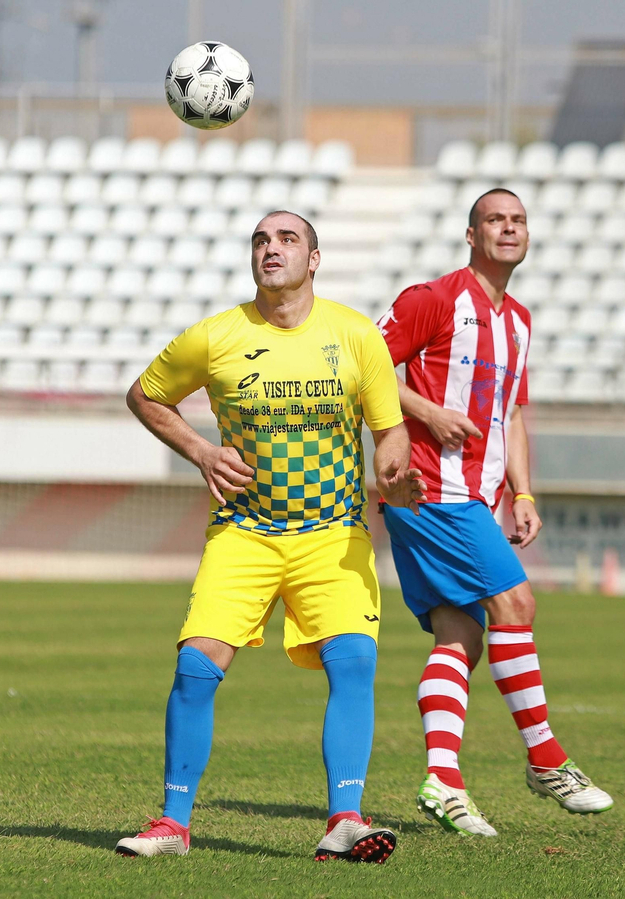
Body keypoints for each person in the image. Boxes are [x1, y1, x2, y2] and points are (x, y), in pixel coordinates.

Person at [117, 210, 426, 862]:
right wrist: (201, 451)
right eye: (261, 240)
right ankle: (173, 825)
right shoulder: (215, 336)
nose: (271, 248)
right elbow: (144, 396)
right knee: (196, 665)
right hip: (244, 532)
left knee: (355, 661)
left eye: (287, 239)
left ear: (314, 259)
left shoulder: (355, 334)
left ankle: (345, 819)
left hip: (333, 534)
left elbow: (389, 428)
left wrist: (394, 473)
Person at [375, 188, 614, 837]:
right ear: (471, 235)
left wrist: (523, 492)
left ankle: (443, 781)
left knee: (461, 634)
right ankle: (546, 760)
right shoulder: (431, 299)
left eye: (518, 221)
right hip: (430, 488)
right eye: (494, 220)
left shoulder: (520, 321)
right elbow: (363, 369)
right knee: (516, 603)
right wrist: (428, 412)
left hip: (475, 497)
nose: (508, 229)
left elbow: (511, 414)